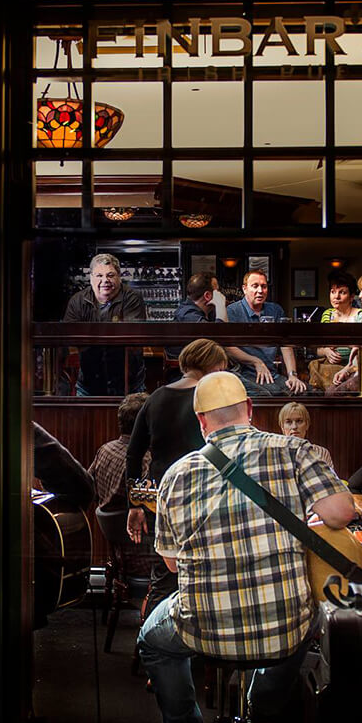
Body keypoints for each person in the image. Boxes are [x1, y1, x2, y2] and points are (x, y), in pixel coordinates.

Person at [137, 372, 354, 723]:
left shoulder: (176, 475)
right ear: (251, 410)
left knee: (152, 641)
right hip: (282, 628)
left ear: (201, 421)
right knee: (302, 625)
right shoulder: (294, 451)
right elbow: (340, 512)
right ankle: (260, 719)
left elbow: (171, 562)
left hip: (203, 627)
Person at [126, 338, 229, 610]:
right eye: (222, 366)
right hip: (205, 496)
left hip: (159, 496)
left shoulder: (156, 397)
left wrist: (134, 504)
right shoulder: (213, 399)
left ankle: (151, 645)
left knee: (163, 577)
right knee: (207, 574)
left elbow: (133, 454)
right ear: (213, 365)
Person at [62, 253, 148, 396]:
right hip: (89, 382)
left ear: (119, 277)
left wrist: (89, 338)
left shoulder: (132, 298)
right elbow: (69, 338)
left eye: (110, 275)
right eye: (99, 276)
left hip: (128, 382)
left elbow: (130, 336)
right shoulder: (77, 301)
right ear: (91, 278)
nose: (105, 280)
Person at [225, 270, 306, 396]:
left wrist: (292, 375)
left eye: (264, 286)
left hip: (271, 373)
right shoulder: (232, 311)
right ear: (244, 289)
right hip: (244, 374)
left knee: (303, 392)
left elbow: (285, 344)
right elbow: (228, 347)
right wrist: (256, 361)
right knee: (270, 395)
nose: (260, 291)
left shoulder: (275, 309)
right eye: (255, 286)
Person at [307, 269, 362, 389]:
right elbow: (318, 348)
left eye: (342, 292)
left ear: (352, 297)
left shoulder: (361, 314)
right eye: (333, 292)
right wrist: (326, 351)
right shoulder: (327, 314)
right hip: (329, 366)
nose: (336, 296)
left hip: (354, 367)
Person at [88, 392, 150, 513]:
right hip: (133, 526)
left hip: (108, 525)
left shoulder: (105, 449)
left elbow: (88, 485)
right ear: (145, 424)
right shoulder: (144, 460)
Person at [278, 401, 335, 472]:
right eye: (289, 422)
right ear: (282, 427)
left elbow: (330, 481)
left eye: (299, 421)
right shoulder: (275, 454)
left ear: (307, 425)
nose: (294, 426)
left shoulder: (321, 452)